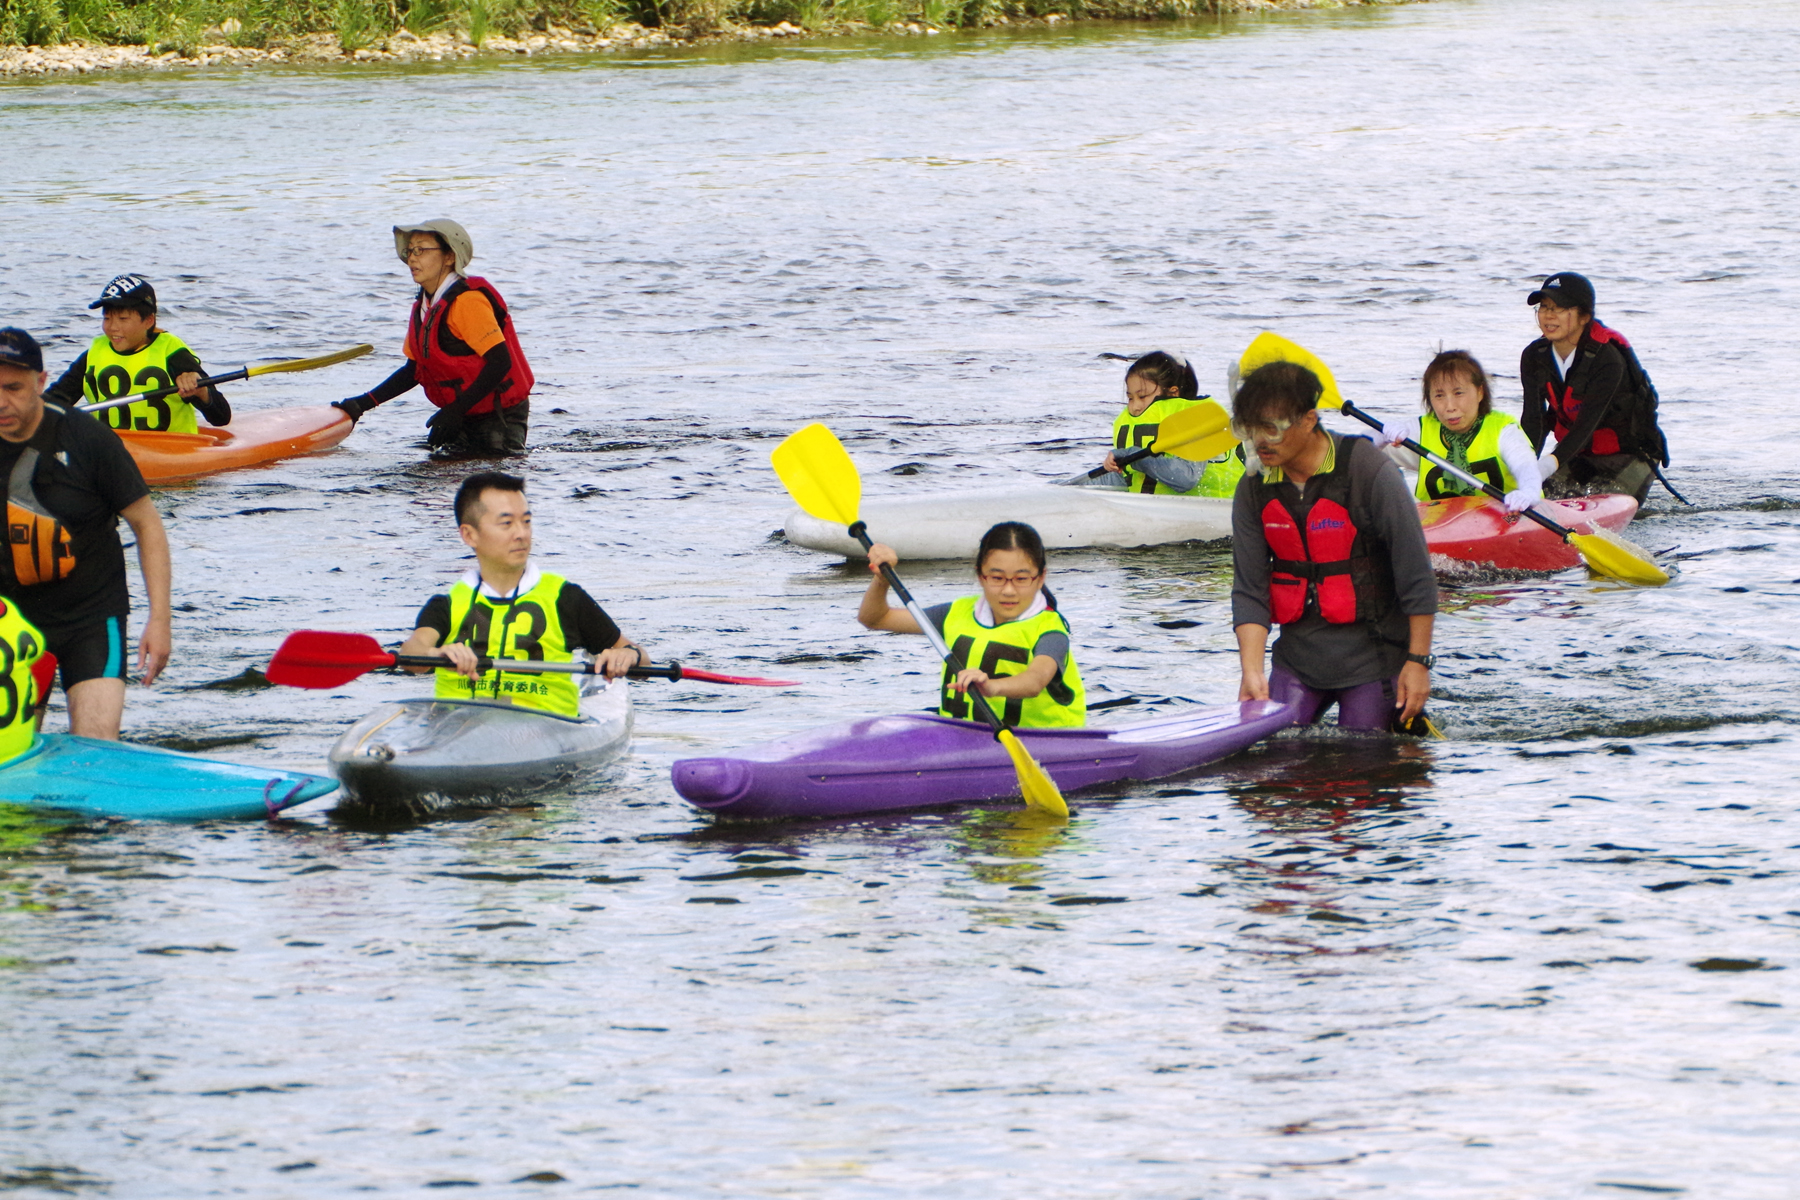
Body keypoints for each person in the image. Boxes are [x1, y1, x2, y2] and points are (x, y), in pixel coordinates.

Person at [1229, 360, 1438, 731]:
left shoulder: (1369, 472)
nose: (1260, 441)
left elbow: (1416, 575)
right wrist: (1251, 670)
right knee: (1275, 758)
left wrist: (1418, 662)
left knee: (1362, 761)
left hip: (1373, 657)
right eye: (1250, 428)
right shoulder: (1253, 487)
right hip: (1297, 659)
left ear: (1309, 420)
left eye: (1271, 429)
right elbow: (1249, 588)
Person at [0, 328, 172, 739]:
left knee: (96, 740)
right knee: (13, 757)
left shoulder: (89, 439)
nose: (1, 402)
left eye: (13, 388)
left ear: (41, 383)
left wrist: (160, 620)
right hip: (12, 623)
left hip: (91, 616)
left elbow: (147, 524)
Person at [399, 471, 641, 714]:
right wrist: (437, 652)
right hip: (460, 730)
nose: (521, 534)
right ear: (469, 535)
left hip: (548, 732)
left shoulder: (564, 598)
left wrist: (628, 656)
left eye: (526, 521)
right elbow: (411, 654)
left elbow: (637, 654)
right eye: (506, 523)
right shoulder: (447, 605)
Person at [334, 220, 535, 460]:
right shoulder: (425, 306)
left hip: (499, 415)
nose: (411, 259)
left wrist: (455, 410)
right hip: (461, 413)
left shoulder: (467, 302)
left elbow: (500, 362)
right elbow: (415, 370)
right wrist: (361, 405)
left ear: (449, 257)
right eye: (409, 251)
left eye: (421, 250)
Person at [858, 521, 1085, 728]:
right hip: (966, 741)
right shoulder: (956, 613)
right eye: (997, 578)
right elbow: (875, 618)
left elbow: (1035, 680)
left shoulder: (1050, 629)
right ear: (980, 575)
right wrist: (881, 580)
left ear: (1040, 578)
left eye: (1021, 579)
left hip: (1049, 741)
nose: (1008, 590)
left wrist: (993, 686)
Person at [1519, 272, 1670, 504]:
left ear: (1584, 317)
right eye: (1544, 307)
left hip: (1629, 454)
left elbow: (1585, 427)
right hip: (1578, 452)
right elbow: (1533, 420)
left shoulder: (1607, 359)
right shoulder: (1533, 356)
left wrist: (1546, 465)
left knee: (1601, 502)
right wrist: (1522, 470)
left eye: (1559, 308)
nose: (1548, 315)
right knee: (1546, 499)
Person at [44, 275, 230, 433]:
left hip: (171, 451)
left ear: (148, 320)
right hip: (111, 450)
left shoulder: (172, 354)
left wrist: (202, 392)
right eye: (107, 318)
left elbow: (221, 417)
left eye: (123, 319)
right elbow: (54, 402)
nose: (112, 327)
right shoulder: (93, 354)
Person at [1376, 349, 1543, 511]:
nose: (1450, 407)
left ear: (1479, 392)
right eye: (1439, 396)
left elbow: (1525, 467)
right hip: (1437, 528)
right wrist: (1381, 437)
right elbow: (1361, 454)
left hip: (1509, 520)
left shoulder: (1504, 430)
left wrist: (1528, 492)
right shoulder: (1419, 430)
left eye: (1458, 393)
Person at [1096, 351, 1246, 498]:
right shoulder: (1133, 421)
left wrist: (1132, 456)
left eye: (1142, 396)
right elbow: (1127, 478)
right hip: (1153, 509)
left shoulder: (1194, 417)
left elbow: (1186, 478)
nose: (1135, 406)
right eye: (1130, 398)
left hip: (1217, 508)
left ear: (1172, 393)